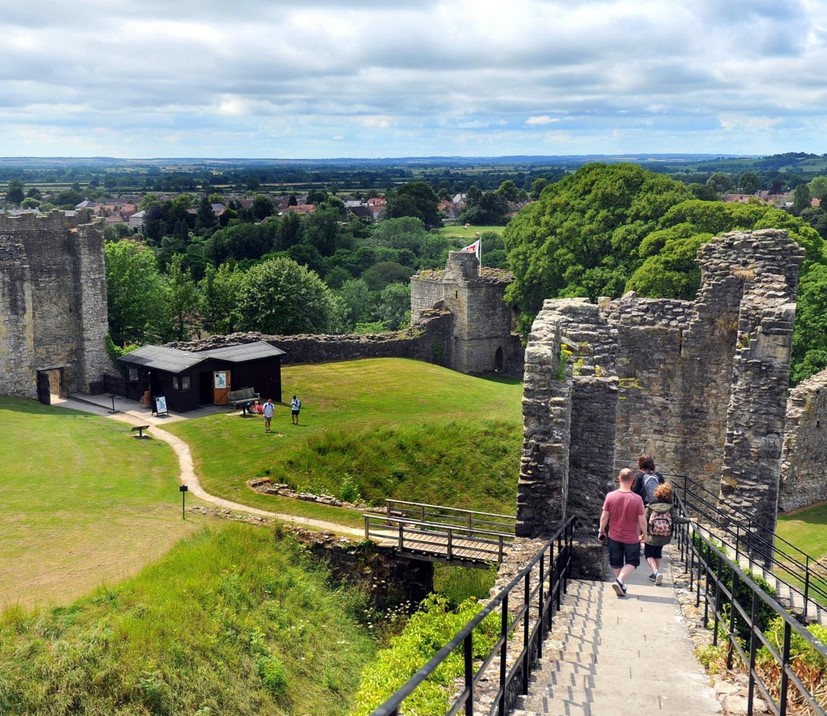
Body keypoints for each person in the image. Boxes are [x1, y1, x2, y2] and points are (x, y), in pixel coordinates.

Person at [598, 467, 647, 597]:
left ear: (619, 478)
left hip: (614, 536)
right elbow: (642, 520)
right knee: (633, 562)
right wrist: (645, 535)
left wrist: (601, 530)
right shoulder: (637, 499)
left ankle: (620, 584)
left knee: (616, 562)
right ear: (633, 480)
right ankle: (620, 581)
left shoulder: (610, 496)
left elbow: (604, 516)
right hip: (631, 537)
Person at [642, 481, 692, 585]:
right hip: (664, 536)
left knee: (648, 555)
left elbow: (644, 520)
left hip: (651, 535)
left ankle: (656, 572)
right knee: (658, 554)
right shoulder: (670, 506)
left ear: (657, 493)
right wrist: (689, 520)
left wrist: (641, 533)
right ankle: (655, 574)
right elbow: (676, 519)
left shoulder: (651, 506)